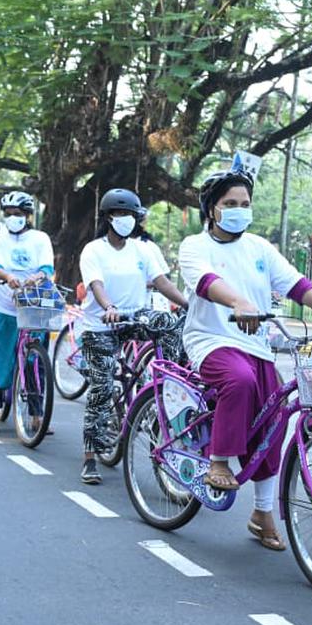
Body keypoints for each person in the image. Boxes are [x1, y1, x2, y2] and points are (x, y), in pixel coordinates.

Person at [178, 169, 312, 551]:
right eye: (230, 204)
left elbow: (294, 284)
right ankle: (220, 461)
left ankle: (262, 514)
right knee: (239, 380)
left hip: (257, 343)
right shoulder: (195, 245)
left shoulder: (259, 247)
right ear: (212, 209)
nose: (239, 210)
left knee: (275, 422)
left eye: (245, 204)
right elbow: (207, 282)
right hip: (211, 339)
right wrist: (239, 302)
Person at [77, 189, 187, 484]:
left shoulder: (142, 249)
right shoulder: (93, 250)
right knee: (102, 386)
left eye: (130, 215)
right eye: (119, 215)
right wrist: (109, 307)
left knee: (169, 323)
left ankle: (162, 388)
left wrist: (190, 305)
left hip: (134, 318)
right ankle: (90, 455)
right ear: (108, 218)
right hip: (99, 325)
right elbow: (96, 284)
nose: (125, 220)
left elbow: (162, 282)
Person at [0, 191, 54, 434]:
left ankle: (37, 414)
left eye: (18, 214)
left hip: (33, 306)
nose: (13, 218)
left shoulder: (40, 238)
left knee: (36, 361)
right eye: (9, 214)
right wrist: (8, 277)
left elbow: (47, 266)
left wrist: (39, 276)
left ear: (28, 216)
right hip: (2, 306)